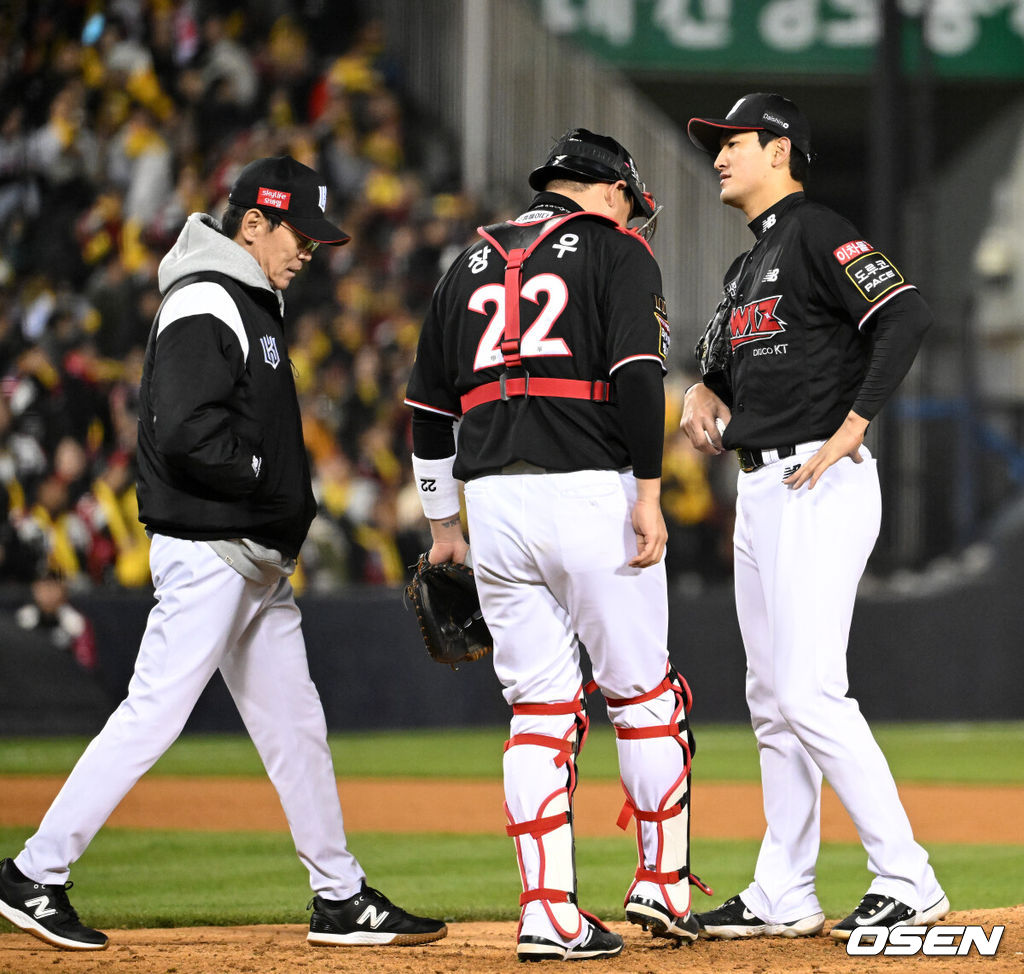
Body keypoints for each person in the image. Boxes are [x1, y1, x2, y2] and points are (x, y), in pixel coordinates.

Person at [0, 155, 447, 952]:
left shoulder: (247, 298)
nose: (310, 251)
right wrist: (261, 478)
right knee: (153, 715)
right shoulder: (208, 296)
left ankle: (338, 894)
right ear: (253, 223)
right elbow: (181, 428)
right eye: (299, 234)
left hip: (251, 559)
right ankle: (35, 872)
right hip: (212, 547)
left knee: (296, 726)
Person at [405, 128, 706, 962]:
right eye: (630, 202)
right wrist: (648, 493)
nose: (633, 216)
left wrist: (442, 527)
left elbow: (429, 413)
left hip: (492, 503)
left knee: (539, 709)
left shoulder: (462, 267)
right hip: (590, 492)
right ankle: (663, 884)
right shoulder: (615, 252)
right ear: (607, 190)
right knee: (646, 697)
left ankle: (547, 913)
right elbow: (639, 377)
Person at [679, 93, 948, 941]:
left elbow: (904, 314)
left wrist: (856, 424)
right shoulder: (746, 264)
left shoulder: (821, 231)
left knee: (808, 691)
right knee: (769, 699)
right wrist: (701, 387)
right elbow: (725, 368)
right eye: (717, 144)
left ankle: (908, 876)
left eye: (734, 142)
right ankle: (784, 889)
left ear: (780, 149)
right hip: (760, 489)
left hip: (819, 478)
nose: (719, 154)